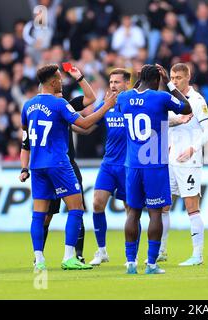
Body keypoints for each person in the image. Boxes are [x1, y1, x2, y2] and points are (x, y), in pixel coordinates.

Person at [19, 64, 118, 271]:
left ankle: (39, 260)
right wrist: (106, 107)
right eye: (59, 78)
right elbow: (83, 124)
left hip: (37, 166)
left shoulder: (28, 106)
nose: (62, 81)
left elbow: (25, 138)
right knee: (76, 207)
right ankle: (69, 257)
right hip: (58, 163)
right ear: (53, 81)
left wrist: (24, 167)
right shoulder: (59, 104)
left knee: (39, 215)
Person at [118, 64, 191, 275]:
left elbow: (128, 107)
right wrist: (169, 82)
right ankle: (151, 264)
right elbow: (186, 108)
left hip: (132, 165)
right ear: (158, 79)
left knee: (132, 213)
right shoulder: (161, 97)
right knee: (155, 213)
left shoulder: (124, 98)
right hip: (155, 165)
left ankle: (130, 263)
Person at [72, 68, 133, 266]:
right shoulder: (106, 106)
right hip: (108, 164)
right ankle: (102, 251)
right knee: (97, 203)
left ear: (127, 84)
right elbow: (87, 127)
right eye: (111, 81)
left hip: (128, 165)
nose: (113, 85)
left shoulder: (133, 104)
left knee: (130, 209)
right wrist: (63, 124)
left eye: (117, 82)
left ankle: (130, 255)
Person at [158, 63, 208, 266]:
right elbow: (165, 123)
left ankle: (197, 255)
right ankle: (161, 251)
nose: (174, 81)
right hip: (171, 160)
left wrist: (192, 149)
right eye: (172, 77)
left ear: (188, 78)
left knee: (192, 207)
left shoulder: (197, 100)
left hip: (189, 161)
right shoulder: (171, 99)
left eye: (179, 78)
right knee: (163, 206)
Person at [41, 66, 96, 264]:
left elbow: (90, 98)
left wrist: (80, 77)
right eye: (58, 84)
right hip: (51, 165)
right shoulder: (41, 109)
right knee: (46, 215)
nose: (61, 86)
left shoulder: (66, 105)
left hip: (68, 164)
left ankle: (77, 254)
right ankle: (39, 255)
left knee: (77, 208)